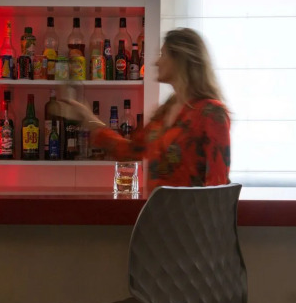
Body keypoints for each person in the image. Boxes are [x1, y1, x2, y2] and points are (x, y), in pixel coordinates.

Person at [62, 28, 231, 191]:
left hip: (190, 212)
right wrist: (87, 118)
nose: (156, 62)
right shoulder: (165, 111)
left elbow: (217, 188)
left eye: (163, 55)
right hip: (158, 210)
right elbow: (129, 151)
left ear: (179, 60)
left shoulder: (211, 113)